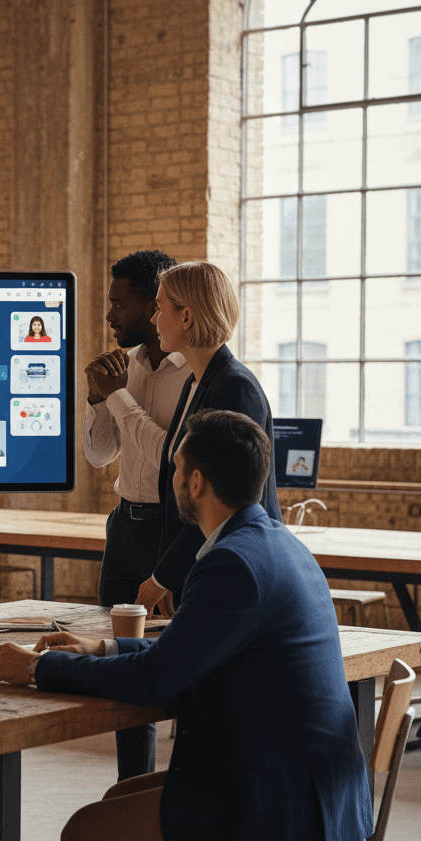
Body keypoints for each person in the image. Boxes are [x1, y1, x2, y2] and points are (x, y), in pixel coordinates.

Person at [0, 410, 373, 841]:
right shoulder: (273, 545)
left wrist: (35, 670)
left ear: (196, 482)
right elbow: (185, 653)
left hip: (280, 803)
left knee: (86, 840)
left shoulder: (233, 564)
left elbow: (154, 680)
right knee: (126, 801)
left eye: (175, 469)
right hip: (312, 789)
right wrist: (97, 650)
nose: (171, 482)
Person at [83, 249, 182, 780]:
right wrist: (99, 398)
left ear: (154, 305)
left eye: (121, 304)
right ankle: (132, 789)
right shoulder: (126, 367)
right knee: (123, 662)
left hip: (172, 531)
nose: (110, 316)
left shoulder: (191, 374)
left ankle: (185, 793)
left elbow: (170, 453)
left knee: (178, 664)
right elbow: (100, 455)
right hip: (125, 525)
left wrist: (117, 396)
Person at [135, 261, 281, 616]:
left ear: (186, 317)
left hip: (234, 570)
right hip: (203, 567)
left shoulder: (234, 386)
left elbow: (223, 502)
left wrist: (162, 577)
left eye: (160, 307)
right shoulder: (196, 382)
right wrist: (170, 572)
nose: (153, 319)